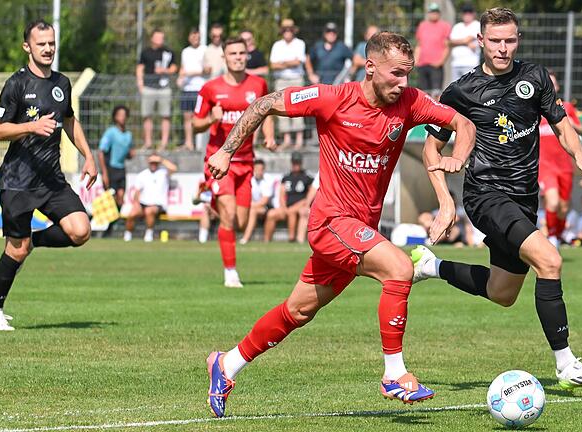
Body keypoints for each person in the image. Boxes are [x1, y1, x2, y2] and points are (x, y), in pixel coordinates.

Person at [204, 31, 476, 417]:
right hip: (331, 222)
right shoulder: (332, 98)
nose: (404, 83)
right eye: (396, 74)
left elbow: (463, 124)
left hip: (358, 231)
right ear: (369, 67)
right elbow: (265, 103)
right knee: (399, 268)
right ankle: (394, 375)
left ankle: (226, 364)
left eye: (408, 74)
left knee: (297, 312)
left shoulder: (411, 102)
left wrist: (458, 158)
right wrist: (226, 151)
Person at [410, 8, 582, 390]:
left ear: (518, 40)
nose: (503, 48)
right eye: (495, 40)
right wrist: (446, 203)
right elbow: (431, 150)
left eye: (510, 40)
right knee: (549, 261)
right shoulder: (460, 92)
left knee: (502, 293)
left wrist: (580, 155)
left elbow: (562, 124)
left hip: (523, 199)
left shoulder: (535, 77)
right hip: (486, 195)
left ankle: (431, 267)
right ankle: (566, 364)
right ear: (480, 41)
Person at [0, 20, 97, 331]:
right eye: (41, 44)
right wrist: (30, 127)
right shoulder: (16, 85)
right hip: (17, 182)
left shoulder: (62, 83)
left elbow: (70, 122)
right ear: (27, 47)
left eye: (51, 43)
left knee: (80, 230)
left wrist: (89, 156)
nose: (48, 48)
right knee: (14, 250)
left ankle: (32, 240)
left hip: (51, 181)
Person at [193, 37, 275, 288]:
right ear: (224, 57)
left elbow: (268, 111)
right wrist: (210, 119)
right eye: (233, 53)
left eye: (242, 53)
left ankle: (208, 196)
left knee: (240, 222)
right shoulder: (209, 88)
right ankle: (230, 272)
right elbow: (195, 124)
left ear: (247, 55)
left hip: (246, 161)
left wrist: (269, 135)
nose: (238, 57)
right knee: (228, 215)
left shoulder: (259, 84)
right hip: (219, 161)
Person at [538, 70, 582, 247]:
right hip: (545, 164)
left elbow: (581, 129)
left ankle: (558, 234)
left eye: (553, 83)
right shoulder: (534, 109)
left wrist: (566, 122)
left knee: (563, 208)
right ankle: (552, 238)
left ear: (556, 87)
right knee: (553, 201)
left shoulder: (566, 107)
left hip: (564, 164)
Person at [136, 29, 177, 150]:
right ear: (152, 38)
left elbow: (174, 68)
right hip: (148, 87)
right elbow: (140, 68)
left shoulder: (169, 52)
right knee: (146, 115)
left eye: (162, 37)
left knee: (165, 115)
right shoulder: (145, 52)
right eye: (158, 37)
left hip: (164, 88)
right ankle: (148, 143)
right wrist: (140, 84)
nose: (160, 40)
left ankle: (163, 144)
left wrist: (165, 71)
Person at [270, 19, 307, 149]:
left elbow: (298, 62)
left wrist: (282, 63)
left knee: (299, 107)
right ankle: (286, 140)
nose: (287, 32)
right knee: (282, 108)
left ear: (293, 30)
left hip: (296, 79)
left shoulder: (300, 43)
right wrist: (289, 63)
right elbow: (273, 65)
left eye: (290, 29)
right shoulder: (277, 45)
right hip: (281, 80)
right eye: (285, 29)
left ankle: (299, 140)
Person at [124, 154, 177, 242]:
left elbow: (174, 168)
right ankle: (128, 234)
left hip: (158, 204)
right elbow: (137, 192)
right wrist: (136, 204)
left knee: (149, 211)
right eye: (151, 162)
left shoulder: (163, 173)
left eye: (155, 162)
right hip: (143, 203)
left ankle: (149, 233)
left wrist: (161, 160)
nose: (153, 164)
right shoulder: (142, 174)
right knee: (132, 213)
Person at [263, 152, 313, 242]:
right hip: (286, 206)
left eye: (297, 162)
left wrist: (297, 206)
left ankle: (292, 238)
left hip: (300, 206)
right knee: (271, 214)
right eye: (294, 162)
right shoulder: (286, 177)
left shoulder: (307, 177)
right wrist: (283, 207)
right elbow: (281, 194)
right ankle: (266, 241)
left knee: (292, 212)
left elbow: (310, 195)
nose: (296, 165)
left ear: (301, 163)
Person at [98, 105, 134, 214]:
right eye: (119, 115)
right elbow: (101, 152)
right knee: (111, 199)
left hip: (121, 169)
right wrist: (104, 173)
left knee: (121, 198)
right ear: (115, 117)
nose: (122, 117)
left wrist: (130, 154)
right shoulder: (111, 132)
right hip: (110, 169)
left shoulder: (128, 135)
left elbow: (128, 153)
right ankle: (109, 226)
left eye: (124, 115)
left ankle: (116, 221)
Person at [178, 28, 207, 151]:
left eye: (197, 36)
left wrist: (190, 73)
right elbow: (183, 69)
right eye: (193, 36)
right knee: (187, 117)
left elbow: (207, 69)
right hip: (187, 88)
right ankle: (189, 143)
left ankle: (202, 144)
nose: (195, 39)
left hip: (201, 88)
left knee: (202, 116)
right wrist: (180, 78)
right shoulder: (185, 52)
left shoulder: (205, 50)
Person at [414, 3, 451, 94]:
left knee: (436, 93)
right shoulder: (422, 25)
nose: (433, 13)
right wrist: (415, 60)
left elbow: (447, 46)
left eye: (435, 11)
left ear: (439, 13)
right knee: (424, 93)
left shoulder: (444, 26)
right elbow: (419, 45)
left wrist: (440, 62)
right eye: (431, 11)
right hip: (422, 65)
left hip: (436, 65)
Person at [240, 159, 275, 244]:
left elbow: (264, 201)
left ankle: (245, 238)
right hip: (251, 206)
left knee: (252, 211)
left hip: (266, 208)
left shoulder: (268, 180)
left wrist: (249, 206)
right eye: (257, 169)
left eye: (261, 169)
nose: (259, 172)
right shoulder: (249, 179)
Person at [449, 3, 481, 82]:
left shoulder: (477, 25)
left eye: (469, 12)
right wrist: (465, 42)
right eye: (465, 12)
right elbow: (450, 42)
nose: (467, 15)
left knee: (470, 88)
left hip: (471, 63)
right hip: (456, 63)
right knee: (456, 89)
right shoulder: (457, 26)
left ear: (473, 14)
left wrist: (458, 41)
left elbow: (467, 39)